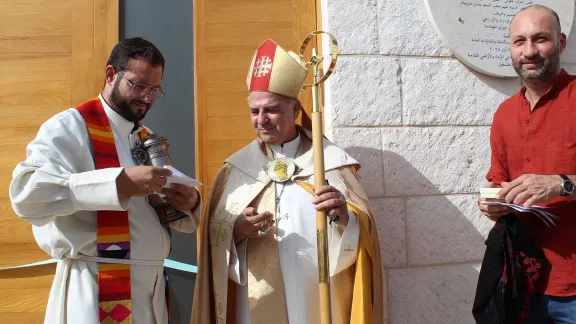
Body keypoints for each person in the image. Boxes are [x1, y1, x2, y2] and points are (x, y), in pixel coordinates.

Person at [190, 39, 385, 324]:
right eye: (254, 112)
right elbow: (213, 242)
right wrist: (236, 230)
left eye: (271, 110)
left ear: (295, 111)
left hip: (320, 295)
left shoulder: (331, 162)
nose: (262, 120)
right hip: (254, 301)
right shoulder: (236, 171)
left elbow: (364, 230)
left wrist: (346, 217)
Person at [9, 37, 201, 324]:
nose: (146, 97)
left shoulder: (146, 136)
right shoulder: (69, 127)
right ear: (111, 74)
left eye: (154, 89)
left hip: (152, 288)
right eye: (138, 85)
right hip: (97, 285)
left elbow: (152, 215)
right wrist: (117, 183)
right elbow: (27, 196)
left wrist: (188, 203)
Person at [479, 5, 576, 322]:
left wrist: (561, 184)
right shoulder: (504, 114)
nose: (529, 51)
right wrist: (493, 201)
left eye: (540, 39)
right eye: (519, 41)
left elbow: (560, 183)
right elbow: (498, 181)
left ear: (560, 43)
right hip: (523, 283)